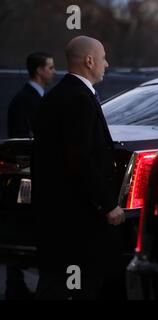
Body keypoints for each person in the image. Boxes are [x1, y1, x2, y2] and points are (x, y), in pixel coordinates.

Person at [32, 36, 125, 300]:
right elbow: (80, 158)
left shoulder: (56, 96)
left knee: (55, 284)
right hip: (77, 218)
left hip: (56, 216)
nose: (107, 64)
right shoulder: (79, 99)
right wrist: (107, 204)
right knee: (76, 287)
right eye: (104, 57)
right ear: (89, 60)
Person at [7, 52, 55, 138]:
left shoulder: (42, 97)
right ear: (39, 70)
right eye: (50, 68)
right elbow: (21, 136)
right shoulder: (23, 100)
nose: (54, 71)